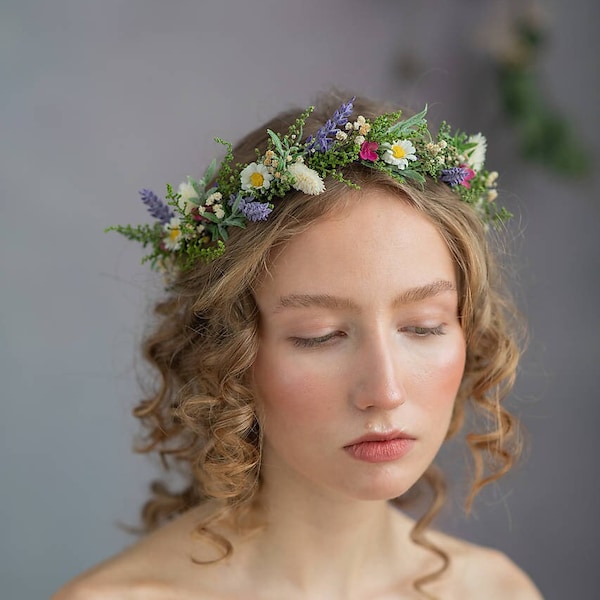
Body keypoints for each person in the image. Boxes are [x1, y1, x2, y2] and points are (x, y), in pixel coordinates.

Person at [54, 93, 543, 599]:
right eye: (321, 335)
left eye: (422, 326)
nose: (385, 390)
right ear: (229, 354)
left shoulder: (497, 590)